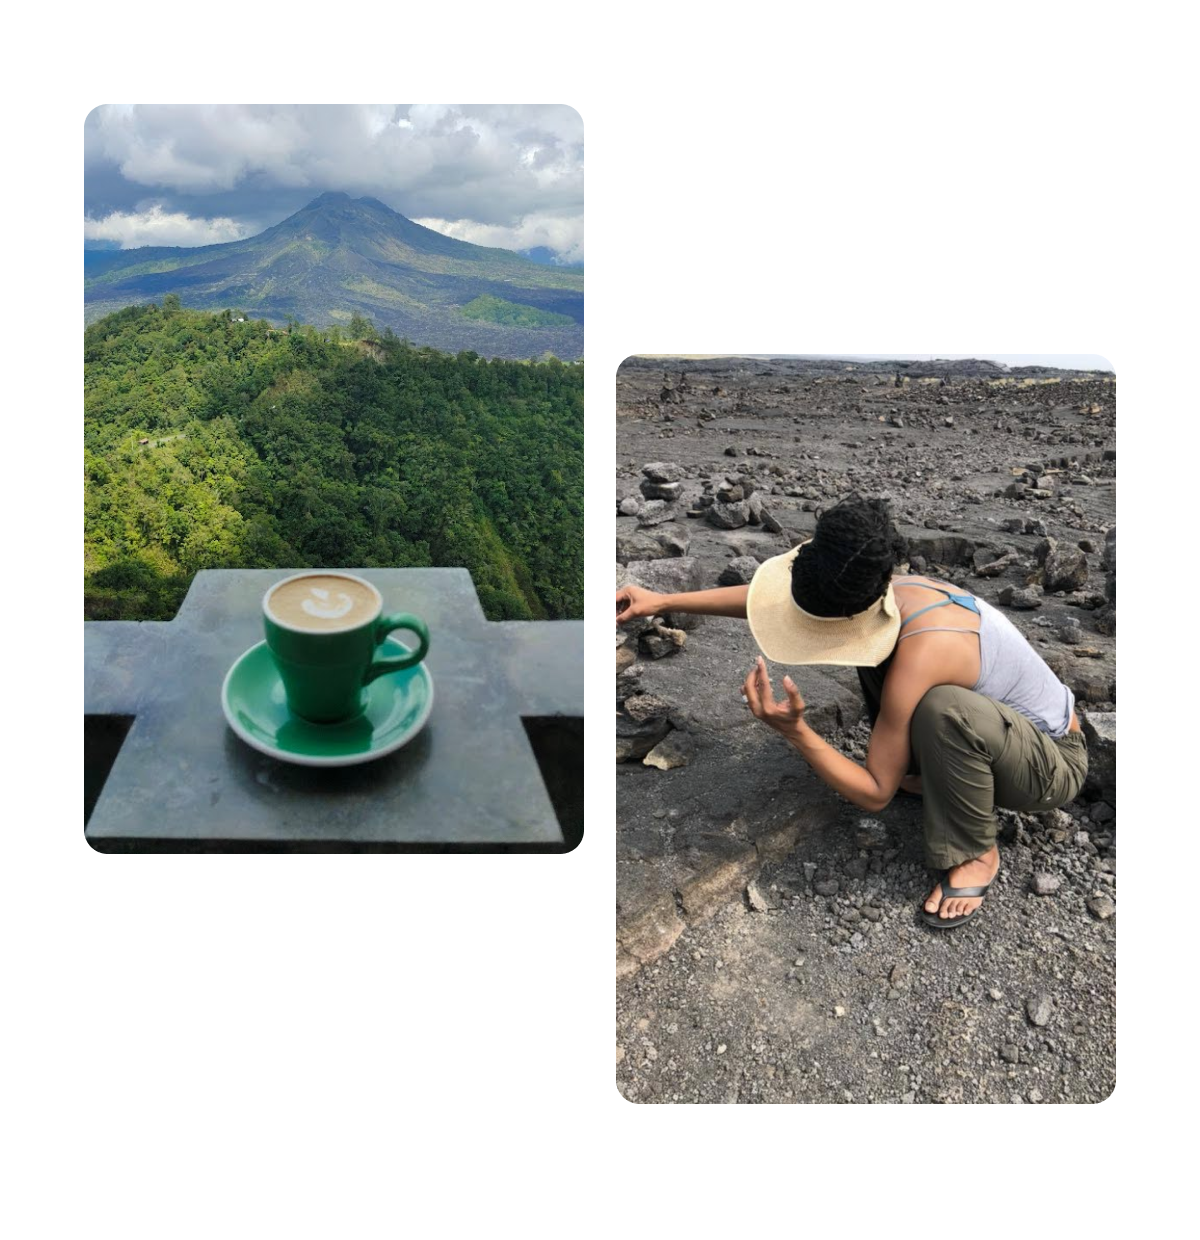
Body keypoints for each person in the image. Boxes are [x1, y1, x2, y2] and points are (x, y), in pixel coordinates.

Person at [615, 493, 1088, 930]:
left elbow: (875, 795)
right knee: (879, 659)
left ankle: (977, 852)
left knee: (942, 709)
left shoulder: (927, 647)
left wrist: (796, 731)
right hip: (1003, 733)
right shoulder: (877, 585)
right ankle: (938, 776)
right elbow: (772, 604)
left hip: (1051, 763)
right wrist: (663, 600)